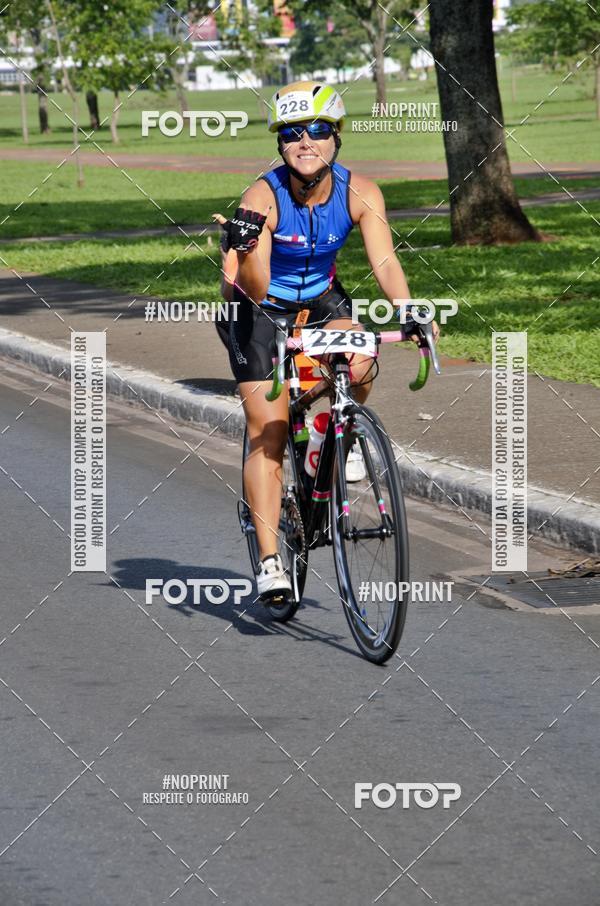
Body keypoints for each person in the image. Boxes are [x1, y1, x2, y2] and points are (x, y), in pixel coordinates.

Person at [213, 80, 438, 599]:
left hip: (320, 297)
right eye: (292, 132)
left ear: (335, 136)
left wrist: (410, 313)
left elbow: (383, 259)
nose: (305, 140)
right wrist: (245, 250)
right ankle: (270, 561)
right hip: (258, 307)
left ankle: (332, 430)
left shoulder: (360, 190)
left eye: (317, 130)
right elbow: (257, 286)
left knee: (358, 358)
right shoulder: (261, 197)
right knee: (268, 433)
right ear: (280, 144)